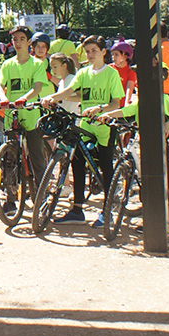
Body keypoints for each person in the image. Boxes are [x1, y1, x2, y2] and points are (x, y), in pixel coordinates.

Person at [46, 35, 124, 226]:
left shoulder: (111, 73)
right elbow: (68, 92)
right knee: (77, 164)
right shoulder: (83, 73)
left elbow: (116, 102)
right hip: (85, 126)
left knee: (106, 167)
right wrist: (52, 98)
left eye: (93, 51)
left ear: (103, 52)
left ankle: (107, 212)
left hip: (105, 126)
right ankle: (77, 210)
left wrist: (99, 109)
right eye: (87, 51)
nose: (89, 55)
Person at [94, 84, 169, 236]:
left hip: (160, 143)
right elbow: (126, 111)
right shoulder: (140, 101)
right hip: (145, 141)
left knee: (164, 181)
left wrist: (166, 124)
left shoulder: (163, 98)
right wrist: (109, 115)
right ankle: (150, 216)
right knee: (147, 180)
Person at [0, 26, 48, 191]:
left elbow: (38, 87)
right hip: (12, 115)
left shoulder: (37, 64)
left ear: (29, 42)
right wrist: (3, 98)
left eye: (22, 39)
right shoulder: (7, 64)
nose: (17, 43)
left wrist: (25, 98)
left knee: (37, 158)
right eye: (14, 39)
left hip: (32, 116)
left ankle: (41, 196)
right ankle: (10, 198)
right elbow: (0, 85)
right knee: (9, 158)